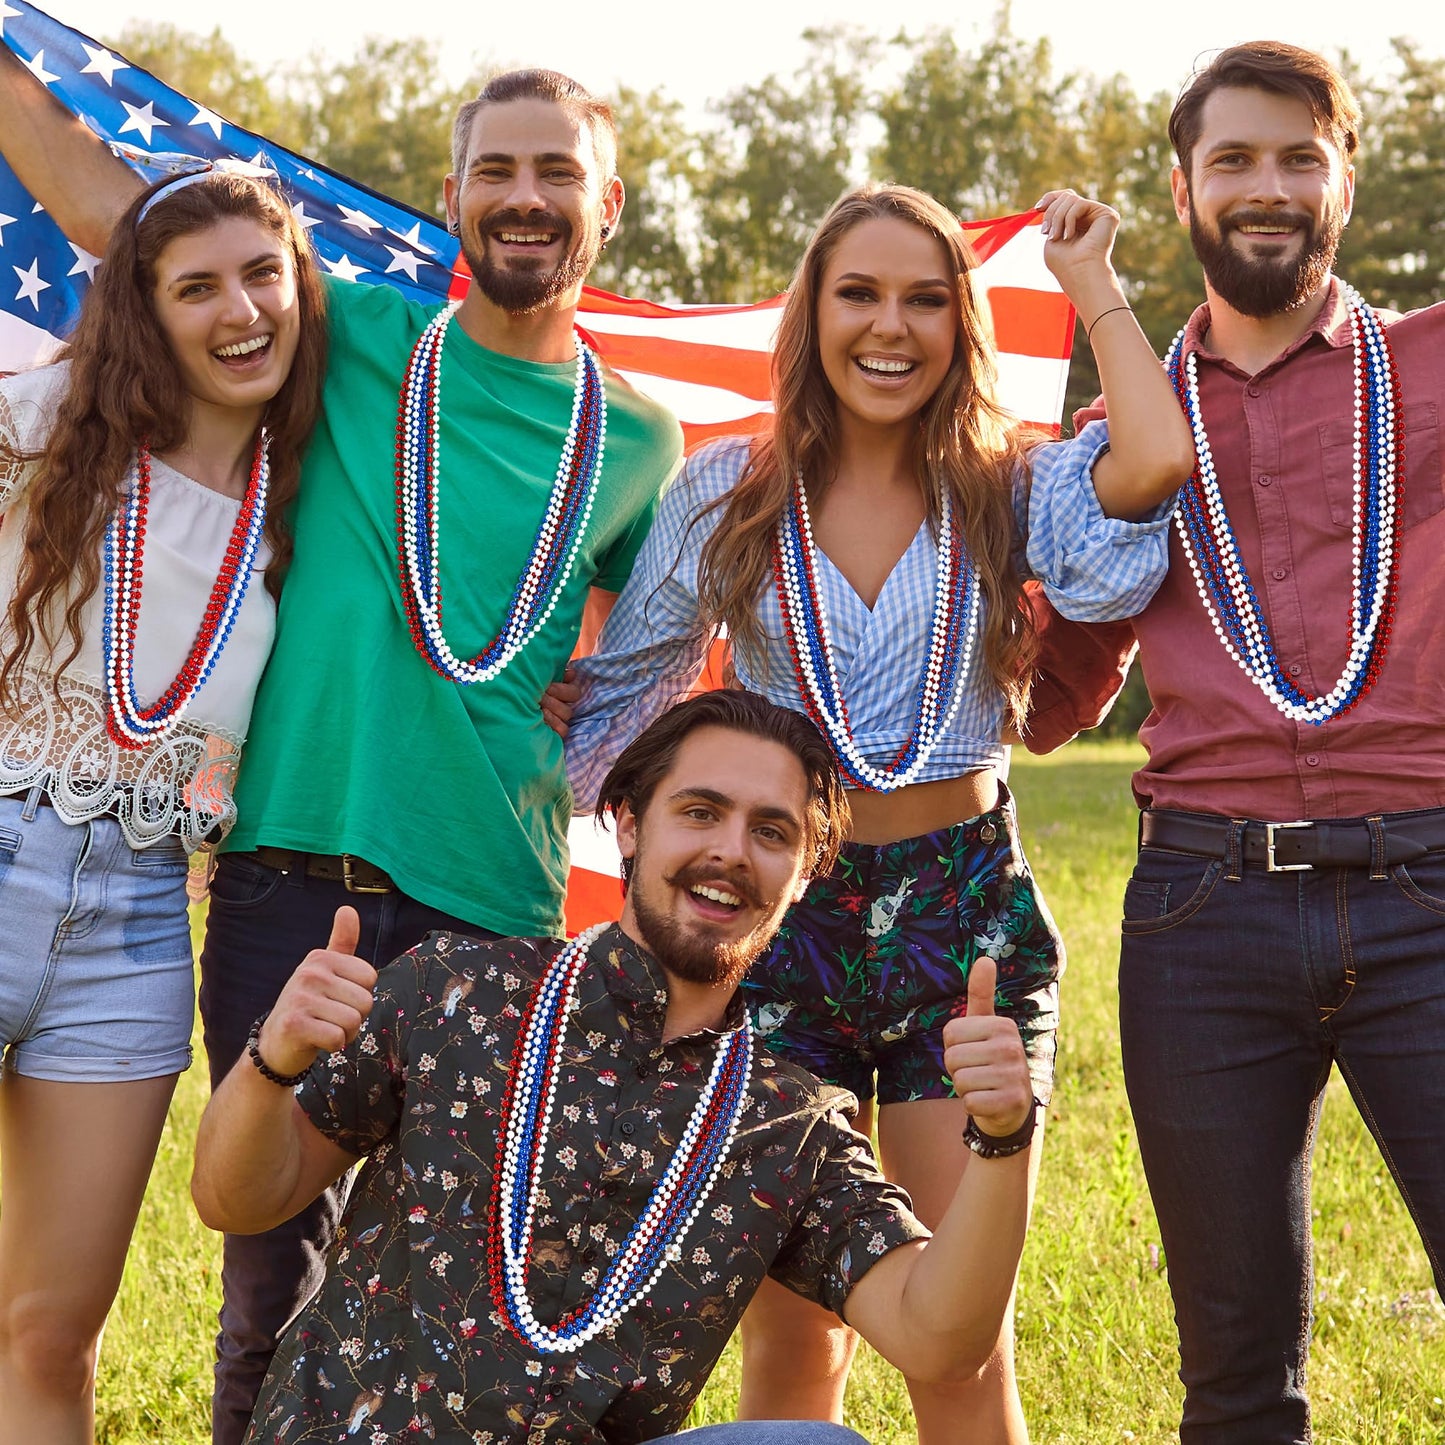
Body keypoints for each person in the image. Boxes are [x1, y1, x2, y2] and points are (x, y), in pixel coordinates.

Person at [0, 55, 684, 1442]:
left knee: (439, 1282)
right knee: (274, 1279)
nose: (526, 195)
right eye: (496, 169)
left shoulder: (642, 441)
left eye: (557, 171)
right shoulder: (351, 332)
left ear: (606, 206)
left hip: (491, 893)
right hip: (286, 876)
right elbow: (132, 225)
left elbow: (640, 658)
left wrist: (573, 700)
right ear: (452, 199)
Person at [561, 184, 1195, 1441]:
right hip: (772, 918)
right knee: (791, 1328)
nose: (888, 327)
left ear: (961, 323)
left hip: (957, 916)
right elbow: (627, 696)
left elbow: (1154, 467)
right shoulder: (724, 489)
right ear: (812, 313)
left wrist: (1091, 284)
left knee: (956, 1335)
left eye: (923, 299)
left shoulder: (1008, 482)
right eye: (858, 293)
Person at [190, 689, 1041, 1444]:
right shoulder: (458, 990)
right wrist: (273, 1061)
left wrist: (1001, 1138)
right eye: (700, 812)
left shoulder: (786, 1125)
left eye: (771, 832)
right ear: (629, 821)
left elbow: (939, 1339)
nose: (732, 852)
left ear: (804, 875)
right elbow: (235, 1196)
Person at [1032, 40, 1445, 1443]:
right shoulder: (1120, 431)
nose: (1265, 188)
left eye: (1295, 157)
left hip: (1429, 889)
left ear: (1345, 178)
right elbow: (1044, 691)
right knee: (1231, 1368)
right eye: (1233, 161)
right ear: (1183, 187)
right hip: (1203, 911)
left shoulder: (1435, 370)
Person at [0, 167, 326, 1443]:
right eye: (197, 286)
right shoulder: (48, 422)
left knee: (50, 1325)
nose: (240, 309)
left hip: (137, 923)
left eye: (263, 274)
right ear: (146, 311)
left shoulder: (310, 497)